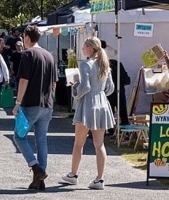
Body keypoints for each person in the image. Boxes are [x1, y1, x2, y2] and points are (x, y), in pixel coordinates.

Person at [61, 37, 115, 190]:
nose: (83, 48)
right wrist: (100, 93)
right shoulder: (104, 64)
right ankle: (100, 179)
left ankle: (73, 174)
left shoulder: (85, 64)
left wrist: (74, 89)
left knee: (79, 143)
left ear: (90, 48)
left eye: (84, 46)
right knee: (99, 144)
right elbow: (110, 88)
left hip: (88, 104)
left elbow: (85, 87)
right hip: (102, 103)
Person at [12, 25, 57, 191]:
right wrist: (51, 102)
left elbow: (23, 80)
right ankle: (39, 180)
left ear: (27, 38)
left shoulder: (28, 54)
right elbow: (54, 83)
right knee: (41, 140)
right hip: (47, 104)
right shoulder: (49, 56)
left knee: (19, 136)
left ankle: (36, 168)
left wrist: (17, 103)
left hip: (30, 103)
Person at [101, 41, 130, 131]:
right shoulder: (118, 64)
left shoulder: (100, 65)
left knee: (108, 113)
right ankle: (125, 132)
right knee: (123, 114)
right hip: (119, 91)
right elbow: (127, 80)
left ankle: (110, 130)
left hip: (107, 92)